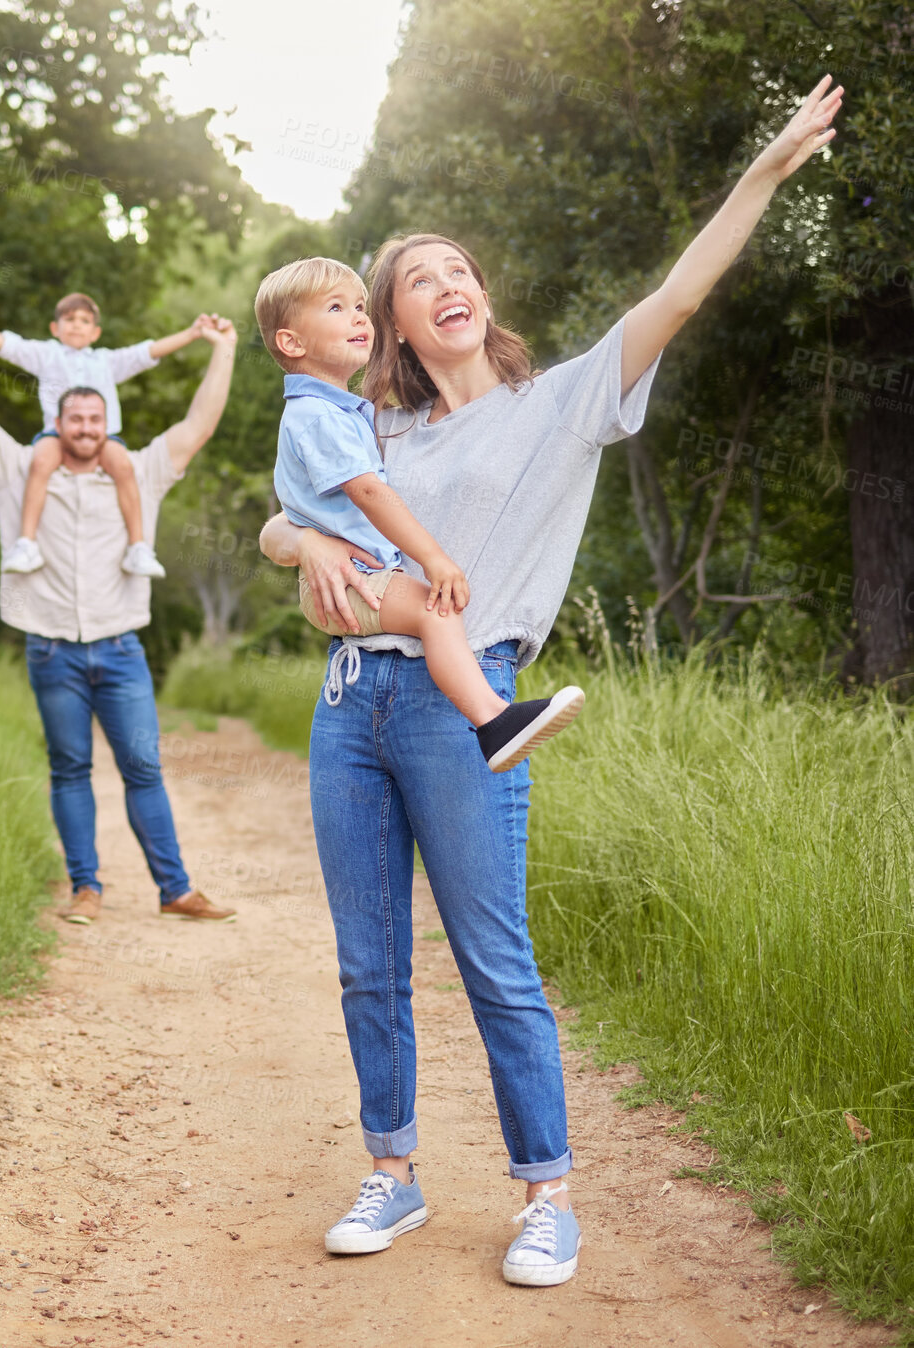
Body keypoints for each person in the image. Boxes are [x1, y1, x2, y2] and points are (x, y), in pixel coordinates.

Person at [259, 78, 841, 1284]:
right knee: (368, 956)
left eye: (458, 268)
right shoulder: (376, 431)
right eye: (417, 280)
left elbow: (679, 291)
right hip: (347, 701)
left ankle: (545, 1193)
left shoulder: (561, 401)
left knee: (491, 957)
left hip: (459, 703)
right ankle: (394, 1173)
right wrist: (302, 542)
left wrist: (767, 172)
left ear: (482, 300)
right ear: (389, 326)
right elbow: (283, 516)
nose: (446, 284)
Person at [0, 306, 241, 925]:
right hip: (51, 651)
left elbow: (200, 423)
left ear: (107, 423)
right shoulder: (17, 470)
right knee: (70, 769)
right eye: (75, 418)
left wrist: (221, 348)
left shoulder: (139, 473)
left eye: (96, 418)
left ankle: (175, 891)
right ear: (57, 422)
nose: (86, 427)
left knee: (143, 767)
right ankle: (84, 888)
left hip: (121, 651)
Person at [254, 255, 585, 773]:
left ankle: (493, 718)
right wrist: (433, 558)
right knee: (438, 610)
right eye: (337, 308)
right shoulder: (319, 416)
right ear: (292, 343)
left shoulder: (341, 411)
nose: (360, 318)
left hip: (357, 578)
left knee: (434, 613)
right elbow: (367, 491)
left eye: (361, 307)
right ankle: (492, 720)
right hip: (352, 583)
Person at [0, 293, 209, 579]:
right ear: (55, 328)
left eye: (84, 321)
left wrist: (192, 333)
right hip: (57, 434)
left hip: (104, 436)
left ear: (95, 332)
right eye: (69, 319)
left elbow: (147, 352)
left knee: (124, 467)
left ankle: (138, 548)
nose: (77, 325)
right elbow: (6, 344)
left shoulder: (107, 361)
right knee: (39, 464)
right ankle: (26, 543)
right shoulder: (45, 354)